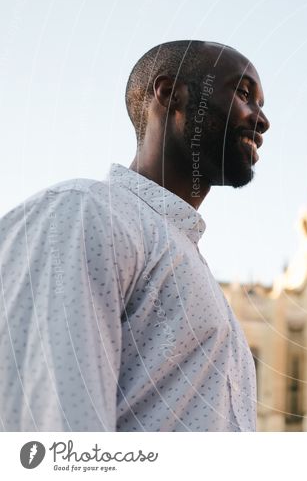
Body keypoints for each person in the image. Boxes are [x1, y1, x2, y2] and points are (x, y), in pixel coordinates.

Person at [0, 40, 269, 431]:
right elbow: (50, 432)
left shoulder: (191, 267)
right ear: (171, 94)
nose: (261, 120)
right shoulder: (84, 213)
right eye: (244, 94)